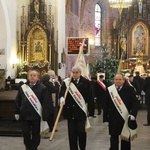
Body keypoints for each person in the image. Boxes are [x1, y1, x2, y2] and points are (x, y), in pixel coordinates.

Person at [14, 70, 53, 150]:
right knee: (26, 133)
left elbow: (46, 103)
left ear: (38, 78)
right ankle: (28, 147)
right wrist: (16, 112)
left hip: (36, 116)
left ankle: (34, 147)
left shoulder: (42, 88)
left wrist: (45, 116)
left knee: (35, 134)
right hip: (24, 115)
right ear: (28, 77)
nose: (32, 77)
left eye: (34, 75)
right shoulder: (23, 88)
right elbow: (18, 100)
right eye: (31, 75)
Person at [59, 66, 93, 150]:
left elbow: (90, 98)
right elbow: (62, 92)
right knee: (71, 133)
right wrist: (61, 98)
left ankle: (82, 148)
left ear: (80, 73)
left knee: (81, 132)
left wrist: (91, 112)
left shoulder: (86, 82)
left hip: (81, 111)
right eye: (73, 72)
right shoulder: (67, 82)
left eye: (76, 72)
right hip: (70, 111)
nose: (74, 74)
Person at [103, 73, 138, 150]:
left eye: (120, 79)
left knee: (125, 139)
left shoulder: (130, 89)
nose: (118, 81)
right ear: (114, 80)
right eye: (116, 79)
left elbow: (135, 104)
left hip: (125, 118)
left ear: (123, 80)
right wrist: (105, 118)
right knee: (113, 139)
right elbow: (105, 105)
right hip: (113, 118)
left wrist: (133, 115)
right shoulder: (110, 90)